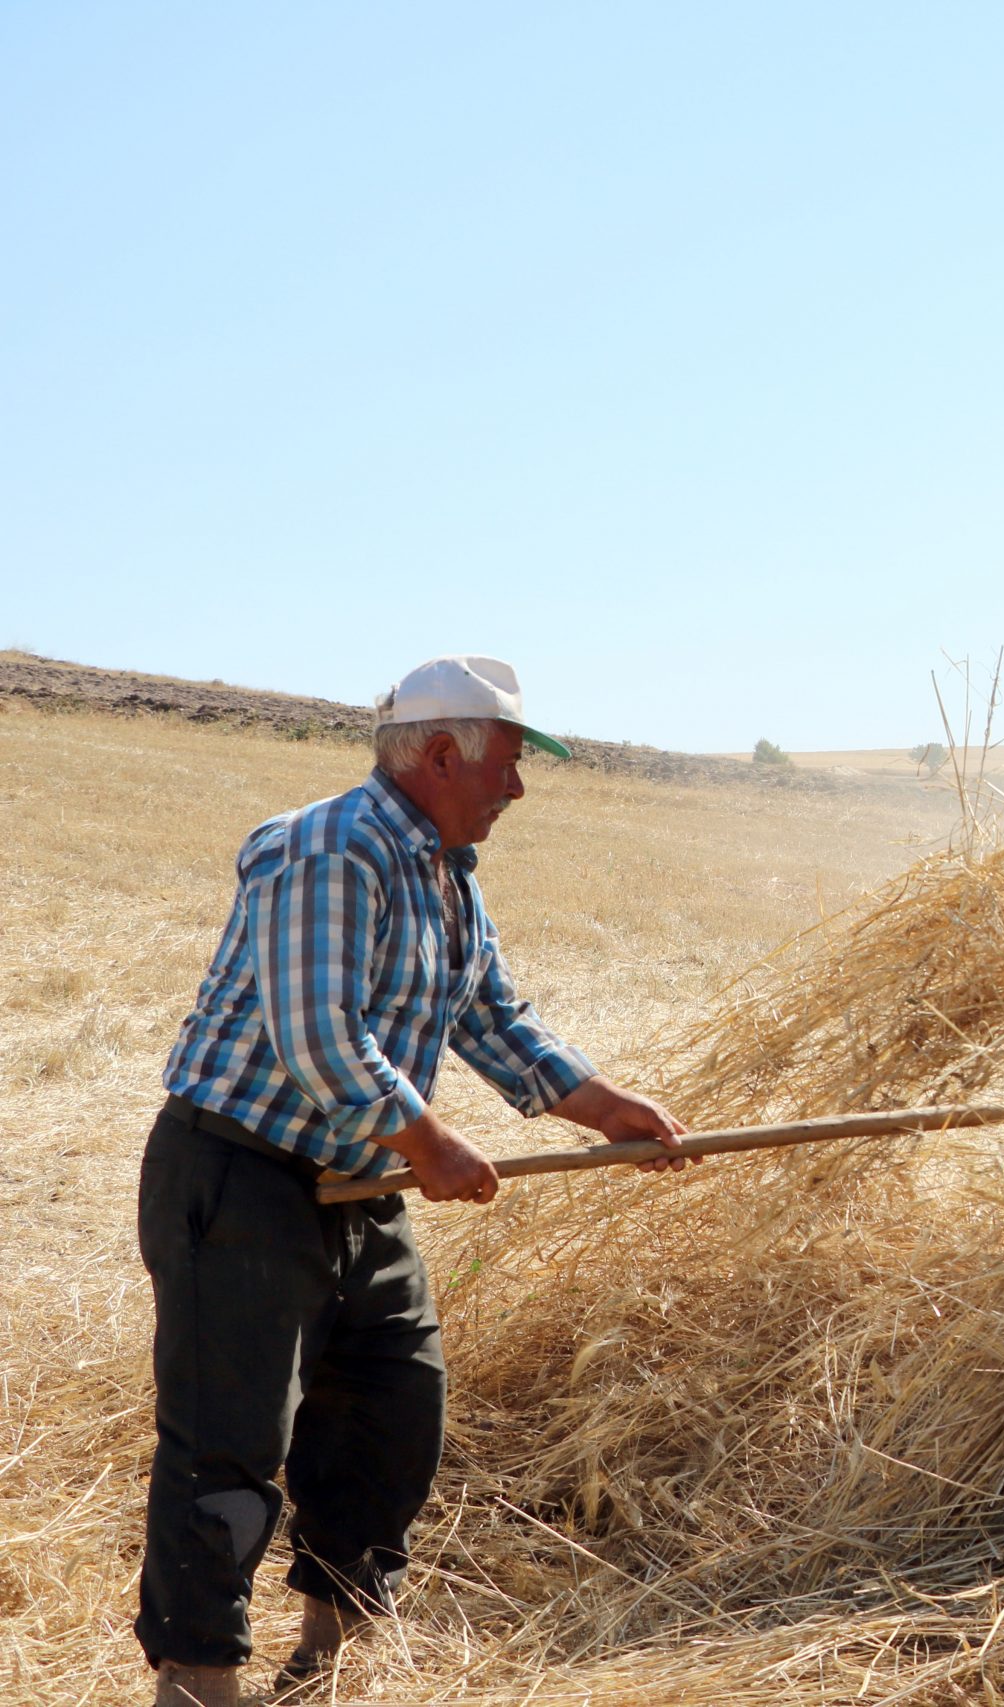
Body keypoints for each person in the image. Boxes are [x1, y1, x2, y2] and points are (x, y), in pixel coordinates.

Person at [138, 655, 695, 1707]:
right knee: (229, 1444)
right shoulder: (328, 848)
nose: (517, 788)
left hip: (358, 1186)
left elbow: (493, 1016)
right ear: (442, 754)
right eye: (509, 764)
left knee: (392, 1411)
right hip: (243, 1176)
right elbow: (319, 1036)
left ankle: (331, 1663)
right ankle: (198, 1679)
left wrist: (604, 1106)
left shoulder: (446, 875)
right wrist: (431, 1143)